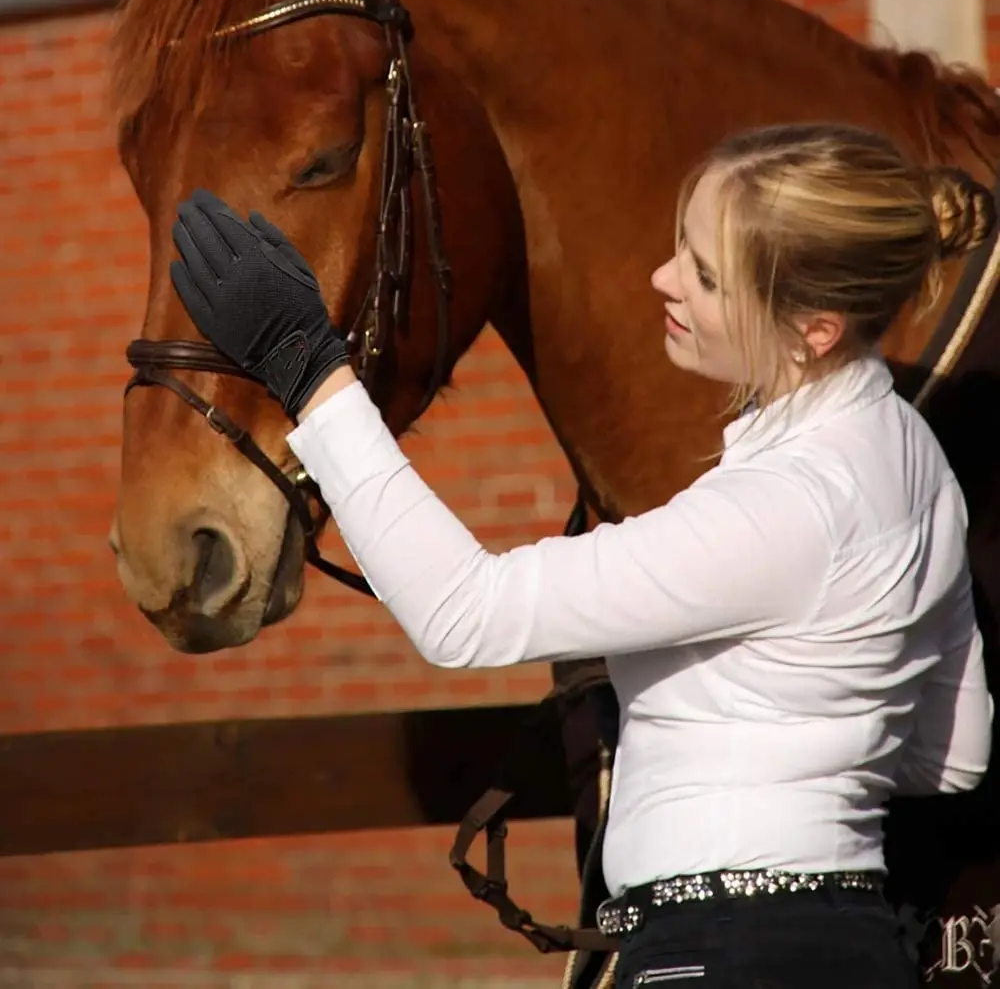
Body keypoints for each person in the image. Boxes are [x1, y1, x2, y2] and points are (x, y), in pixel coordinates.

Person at [169, 122, 995, 989]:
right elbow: (957, 750)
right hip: (845, 944)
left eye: (707, 276)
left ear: (814, 329)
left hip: (724, 954)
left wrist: (308, 369)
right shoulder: (911, 456)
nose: (664, 279)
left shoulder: (784, 507)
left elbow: (465, 614)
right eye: (681, 244)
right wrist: (797, 741)